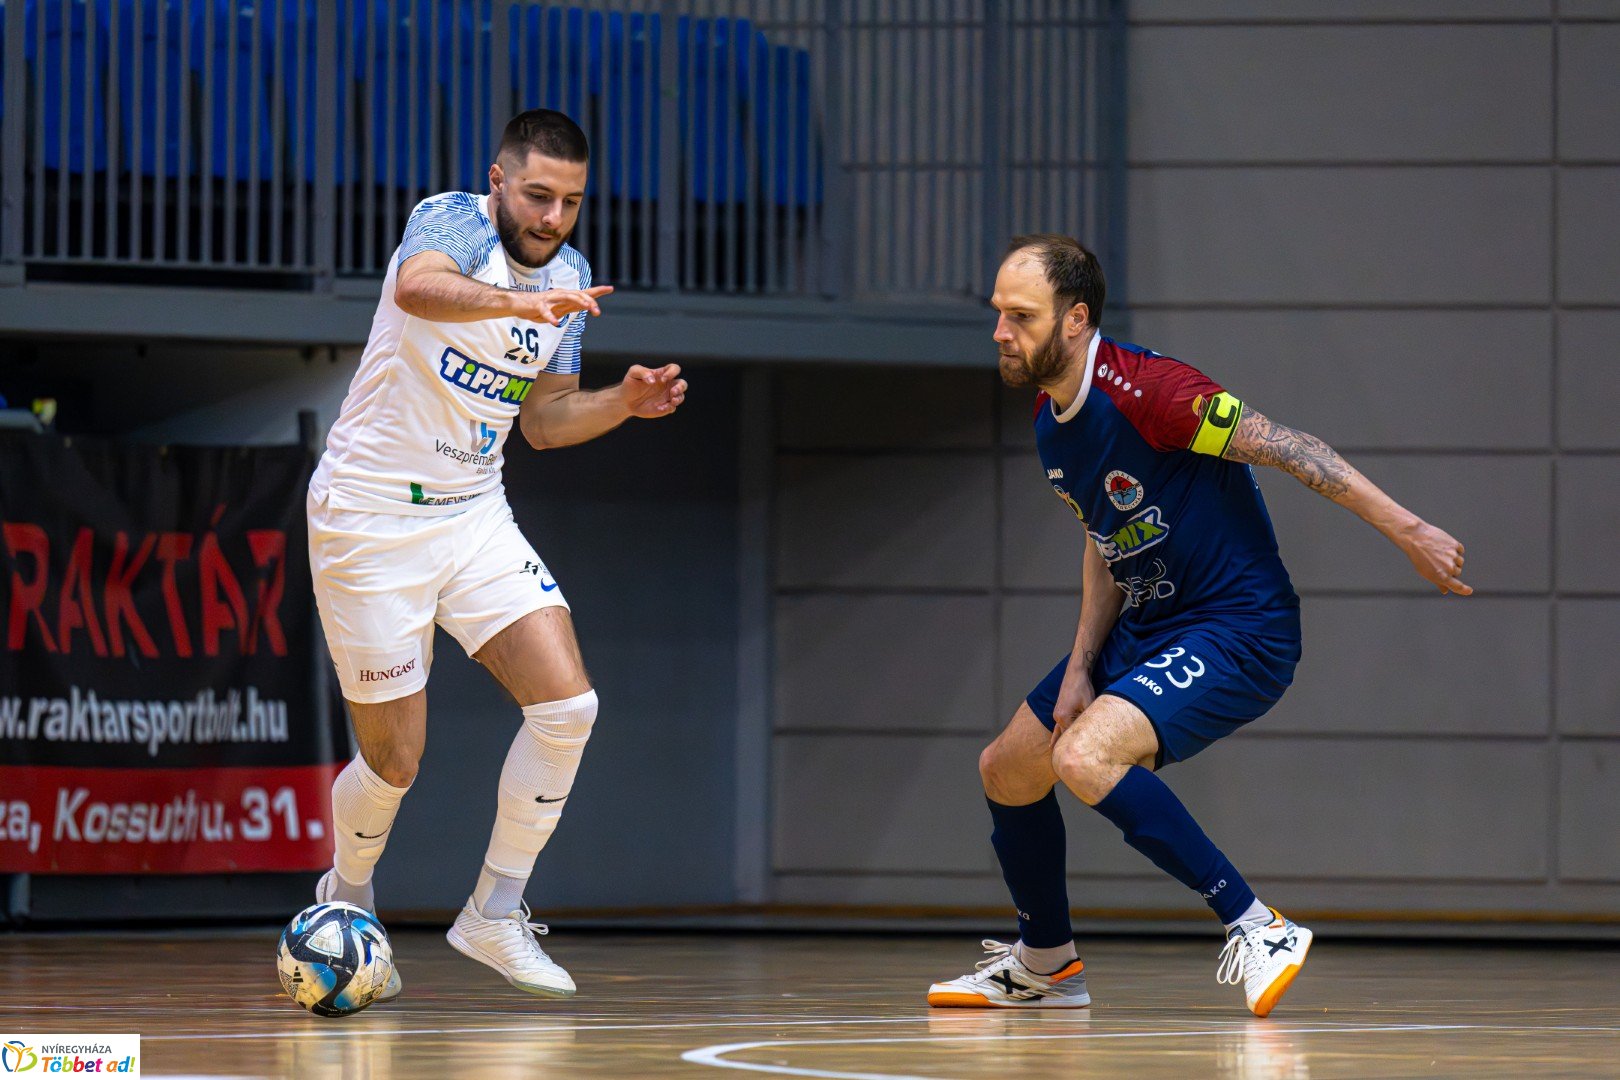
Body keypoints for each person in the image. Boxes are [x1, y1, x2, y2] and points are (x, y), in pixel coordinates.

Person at [926, 234, 1469, 1017]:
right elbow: (1106, 537)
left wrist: (1410, 531)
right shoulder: (1053, 421)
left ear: (1075, 319)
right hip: (1147, 625)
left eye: (1019, 316)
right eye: (998, 315)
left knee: (1083, 755)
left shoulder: (1155, 393)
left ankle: (1258, 926)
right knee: (1010, 768)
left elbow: (1290, 447)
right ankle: (1046, 964)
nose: (1000, 332)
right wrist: (1081, 664)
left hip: (1238, 628)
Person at [305, 108, 687, 1000]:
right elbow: (417, 288)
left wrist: (620, 404)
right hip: (367, 516)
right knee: (396, 762)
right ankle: (348, 901)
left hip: (473, 508)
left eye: (572, 202)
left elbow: (546, 421)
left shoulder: (574, 277)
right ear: (499, 181)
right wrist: (519, 301)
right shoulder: (452, 221)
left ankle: (494, 913)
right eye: (539, 194)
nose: (553, 218)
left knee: (570, 708)